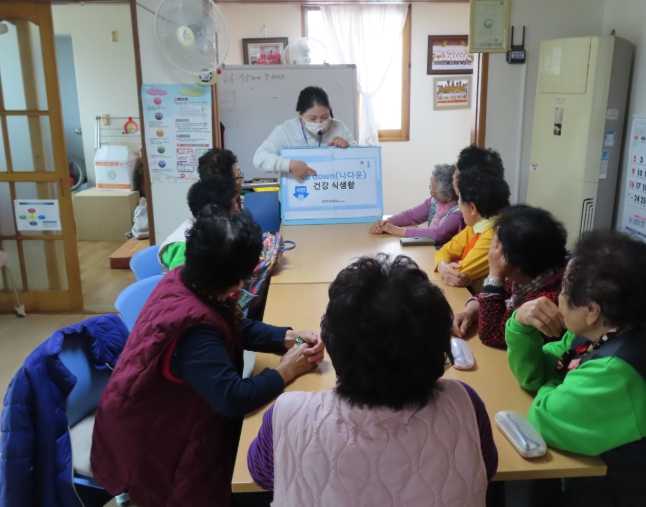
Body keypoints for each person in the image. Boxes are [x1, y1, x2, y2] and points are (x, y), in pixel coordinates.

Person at [91, 206, 325, 507]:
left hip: (153, 413)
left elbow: (232, 325)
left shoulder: (185, 280)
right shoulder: (195, 331)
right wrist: (285, 370)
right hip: (156, 448)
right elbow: (232, 398)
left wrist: (289, 337)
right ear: (239, 279)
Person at [247, 255, 497, 505]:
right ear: (441, 348)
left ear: (334, 346)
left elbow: (262, 475)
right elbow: (485, 469)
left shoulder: (287, 415)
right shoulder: (465, 403)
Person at [506, 230, 646, 506]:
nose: (558, 297)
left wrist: (560, 383)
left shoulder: (616, 370)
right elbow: (536, 374)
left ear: (592, 310)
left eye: (564, 290)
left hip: (614, 494)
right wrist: (520, 323)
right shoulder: (598, 331)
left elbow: (543, 419)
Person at [453, 205, 568, 347]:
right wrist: (468, 313)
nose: (493, 254)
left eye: (499, 250)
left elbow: (492, 334)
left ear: (518, 264)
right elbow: (485, 298)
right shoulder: (531, 279)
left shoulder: (549, 298)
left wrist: (495, 274)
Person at [253, 86, 356, 179]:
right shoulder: (286, 131)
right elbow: (259, 158)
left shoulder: (339, 127)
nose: (319, 122)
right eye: (312, 118)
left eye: (325, 117)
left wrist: (348, 147)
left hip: (332, 189)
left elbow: (359, 160)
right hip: (296, 192)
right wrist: (289, 165)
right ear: (300, 114)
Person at [435, 168, 510, 292]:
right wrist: (442, 266)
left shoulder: (495, 235)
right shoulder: (476, 226)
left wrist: (443, 267)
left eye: (459, 200)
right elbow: (444, 250)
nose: (458, 206)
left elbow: (459, 274)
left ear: (472, 207)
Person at [158, 173, 238, 272]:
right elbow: (184, 281)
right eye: (234, 205)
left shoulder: (206, 228)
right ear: (217, 213)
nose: (237, 210)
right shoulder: (184, 246)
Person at [368, 163, 462, 244]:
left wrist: (396, 230)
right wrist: (388, 222)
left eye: (433, 188)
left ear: (448, 196)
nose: (430, 191)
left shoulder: (459, 211)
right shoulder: (434, 201)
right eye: (431, 186)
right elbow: (411, 215)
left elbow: (438, 234)